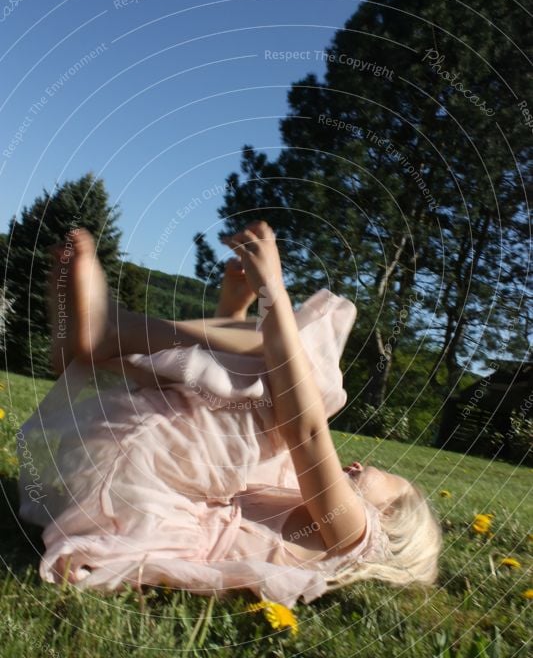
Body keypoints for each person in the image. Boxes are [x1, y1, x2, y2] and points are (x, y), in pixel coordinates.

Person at [18, 221, 442, 608]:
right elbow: (225, 432)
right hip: (130, 482)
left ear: (391, 520)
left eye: (378, 474)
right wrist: (235, 314)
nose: (358, 463)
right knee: (268, 386)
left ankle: (107, 337)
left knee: (307, 380)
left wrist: (273, 291)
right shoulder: (299, 508)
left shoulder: (355, 536)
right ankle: (88, 353)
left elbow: (307, 431)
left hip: (135, 483)